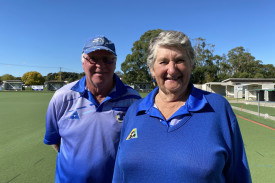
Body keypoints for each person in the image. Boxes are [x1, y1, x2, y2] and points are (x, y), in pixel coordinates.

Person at [112, 31, 252, 182]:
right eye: (163, 62)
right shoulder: (134, 111)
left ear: (191, 66)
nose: (172, 70)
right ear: (152, 69)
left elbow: (239, 176)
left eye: (179, 60)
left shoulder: (218, 108)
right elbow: (119, 176)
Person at [43, 35, 141, 183]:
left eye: (107, 59)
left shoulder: (133, 100)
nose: (100, 65)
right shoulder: (62, 97)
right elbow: (55, 140)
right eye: (93, 58)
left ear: (115, 63)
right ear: (83, 61)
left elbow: (136, 147)